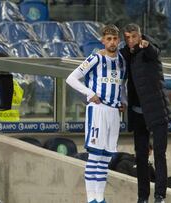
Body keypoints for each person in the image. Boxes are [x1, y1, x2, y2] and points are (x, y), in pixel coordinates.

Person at [66, 25, 127, 203]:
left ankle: (100, 198)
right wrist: (89, 93)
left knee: (106, 156)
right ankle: (90, 198)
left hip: (114, 112)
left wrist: (123, 101)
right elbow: (71, 78)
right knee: (94, 155)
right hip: (98, 110)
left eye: (115, 39)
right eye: (108, 39)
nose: (112, 42)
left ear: (118, 40)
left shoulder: (122, 60)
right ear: (103, 40)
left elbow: (121, 85)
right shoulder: (95, 58)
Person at [120, 23, 170, 203]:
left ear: (140, 36)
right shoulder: (126, 54)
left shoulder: (149, 49)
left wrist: (147, 44)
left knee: (159, 154)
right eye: (128, 38)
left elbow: (155, 52)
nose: (131, 40)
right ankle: (142, 197)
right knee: (141, 156)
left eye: (134, 36)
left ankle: (160, 196)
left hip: (156, 111)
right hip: (137, 113)